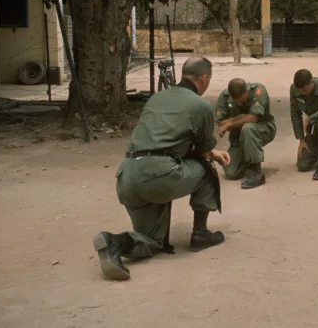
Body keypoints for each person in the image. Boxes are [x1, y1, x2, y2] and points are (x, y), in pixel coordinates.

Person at [92, 57, 231, 281]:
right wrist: (212, 154)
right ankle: (201, 234)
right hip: (159, 176)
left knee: (153, 242)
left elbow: (162, 139)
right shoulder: (201, 106)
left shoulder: (157, 98)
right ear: (204, 78)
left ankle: (115, 242)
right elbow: (204, 149)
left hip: (127, 176)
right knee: (207, 170)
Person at [215, 78, 276, 189]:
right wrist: (239, 120)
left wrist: (231, 122)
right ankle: (247, 158)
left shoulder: (258, 90)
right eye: (236, 101)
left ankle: (256, 173)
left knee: (248, 128)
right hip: (238, 138)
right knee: (231, 173)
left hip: (263, 129)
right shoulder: (224, 97)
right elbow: (221, 123)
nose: (239, 103)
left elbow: (253, 118)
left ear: (246, 91)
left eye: (242, 101)